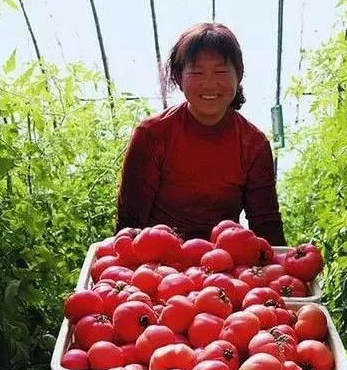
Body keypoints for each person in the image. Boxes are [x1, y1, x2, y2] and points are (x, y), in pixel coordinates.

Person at [116, 22, 286, 246]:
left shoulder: (253, 143)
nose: (209, 84)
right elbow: (130, 224)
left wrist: (282, 272)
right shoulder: (152, 135)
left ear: (239, 75)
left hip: (224, 266)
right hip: (158, 264)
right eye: (197, 72)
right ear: (178, 77)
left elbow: (266, 225)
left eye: (220, 71)